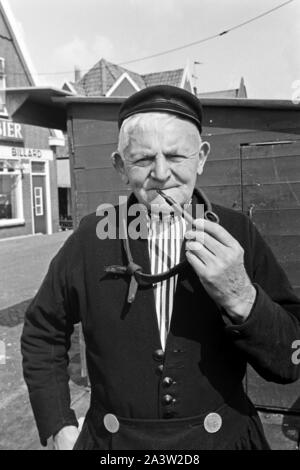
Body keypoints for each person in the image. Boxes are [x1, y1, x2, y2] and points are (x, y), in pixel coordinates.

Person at [21, 85, 300, 450]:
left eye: (176, 156)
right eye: (142, 160)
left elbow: (288, 363)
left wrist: (241, 296)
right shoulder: (91, 237)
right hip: (114, 444)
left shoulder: (238, 232)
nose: (162, 173)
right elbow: (42, 331)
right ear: (121, 166)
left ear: (200, 158)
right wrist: (60, 426)